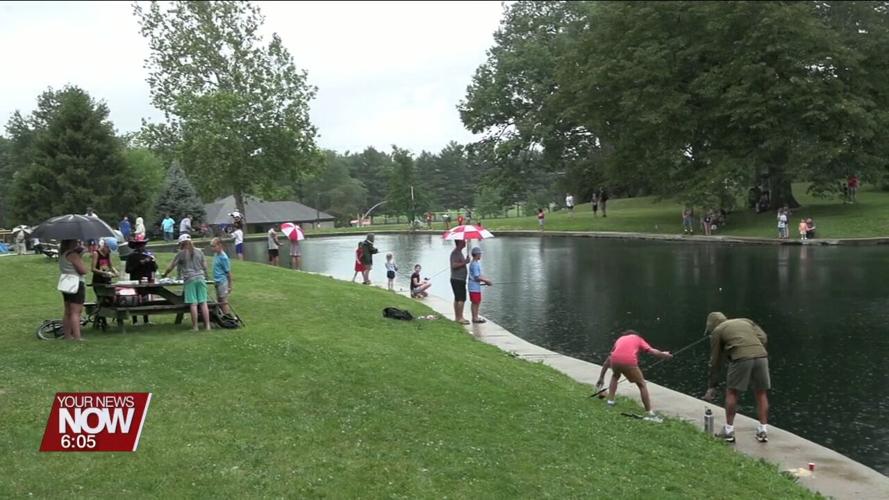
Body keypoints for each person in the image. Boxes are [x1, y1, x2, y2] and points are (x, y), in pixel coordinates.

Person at [702, 312, 771, 443]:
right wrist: (752, 347)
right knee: (761, 393)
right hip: (761, 355)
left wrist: (712, 385)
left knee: (732, 392)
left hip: (741, 358)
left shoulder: (718, 331)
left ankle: (728, 431)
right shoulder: (745, 320)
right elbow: (763, 337)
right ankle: (763, 430)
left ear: (712, 325)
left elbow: (715, 361)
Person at [595, 330, 672, 421]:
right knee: (642, 384)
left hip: (614, 360)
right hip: (629, 361)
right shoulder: (638, 339)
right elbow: (652, 351)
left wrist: (601, 377)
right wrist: (663, 355)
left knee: (615, 376)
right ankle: (649, 412)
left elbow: (609, 359)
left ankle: (610, 402)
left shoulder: (620, 339)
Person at [162, 234, 211, 331]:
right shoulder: (200, 252)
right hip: (201, 278)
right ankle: (208, 326)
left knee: (193, 304)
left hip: (190, 280)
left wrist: (165, 275)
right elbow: (205, 266)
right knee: (203, 303)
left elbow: (171, 266)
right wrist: (206, 276)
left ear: (181, 244)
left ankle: (195, 327)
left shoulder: (181, 253)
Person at [59, 239, 88, 341]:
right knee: (76, 312)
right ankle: (77, 336)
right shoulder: (73, 255)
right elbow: (83, 270)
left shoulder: (62, 254)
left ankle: (67, 335)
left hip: (66, 283)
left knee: (67, 311)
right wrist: (81, 260)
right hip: (76, 283)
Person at [124, 238, 157, 325]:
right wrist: (140, 263)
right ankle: (135, 320)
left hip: (147, 279)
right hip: (135, 280)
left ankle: (146, 320)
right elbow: (128, 270)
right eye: (139, 245)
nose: (142, 247)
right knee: (135, 299)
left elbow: (154, 268)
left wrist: (152, 261)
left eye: (142, 245)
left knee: (145, 299)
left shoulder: (148, 255)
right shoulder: (131, 256)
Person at [467, 247, 492, 324]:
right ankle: (475, 318)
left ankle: (475, 316)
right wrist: (486, 281)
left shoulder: (475, 263)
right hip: (473, 287)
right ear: (477, 254)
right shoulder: (474, 264)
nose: (481, 255)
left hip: (475, 286)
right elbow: (476, 277)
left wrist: (486, 280)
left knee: (477, 302)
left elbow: (479, 276)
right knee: (475, 302)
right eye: (480, 254)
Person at [450, 240, 471, 325]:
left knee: (457, 298)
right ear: (459, 243)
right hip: (457, 279)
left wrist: (464, 261)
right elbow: (454, 265)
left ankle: (457, 317)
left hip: (459, 279)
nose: (465, 242)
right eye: (463, 241)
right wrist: (465, 262)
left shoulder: (459, 252)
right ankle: (460, 318)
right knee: (461, 299)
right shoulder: (455, 253)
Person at [211, 237, 232, 315]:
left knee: (223, 302)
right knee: (219, 301)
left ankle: (228, 317)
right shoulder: (216, 255)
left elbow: (228, 272)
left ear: (219, 245)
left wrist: (230, 286)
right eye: (211, 246)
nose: (212, 248)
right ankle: (222, 317)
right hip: (216, 281)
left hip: (222, 282)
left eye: (213, 246)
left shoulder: (224, 257)